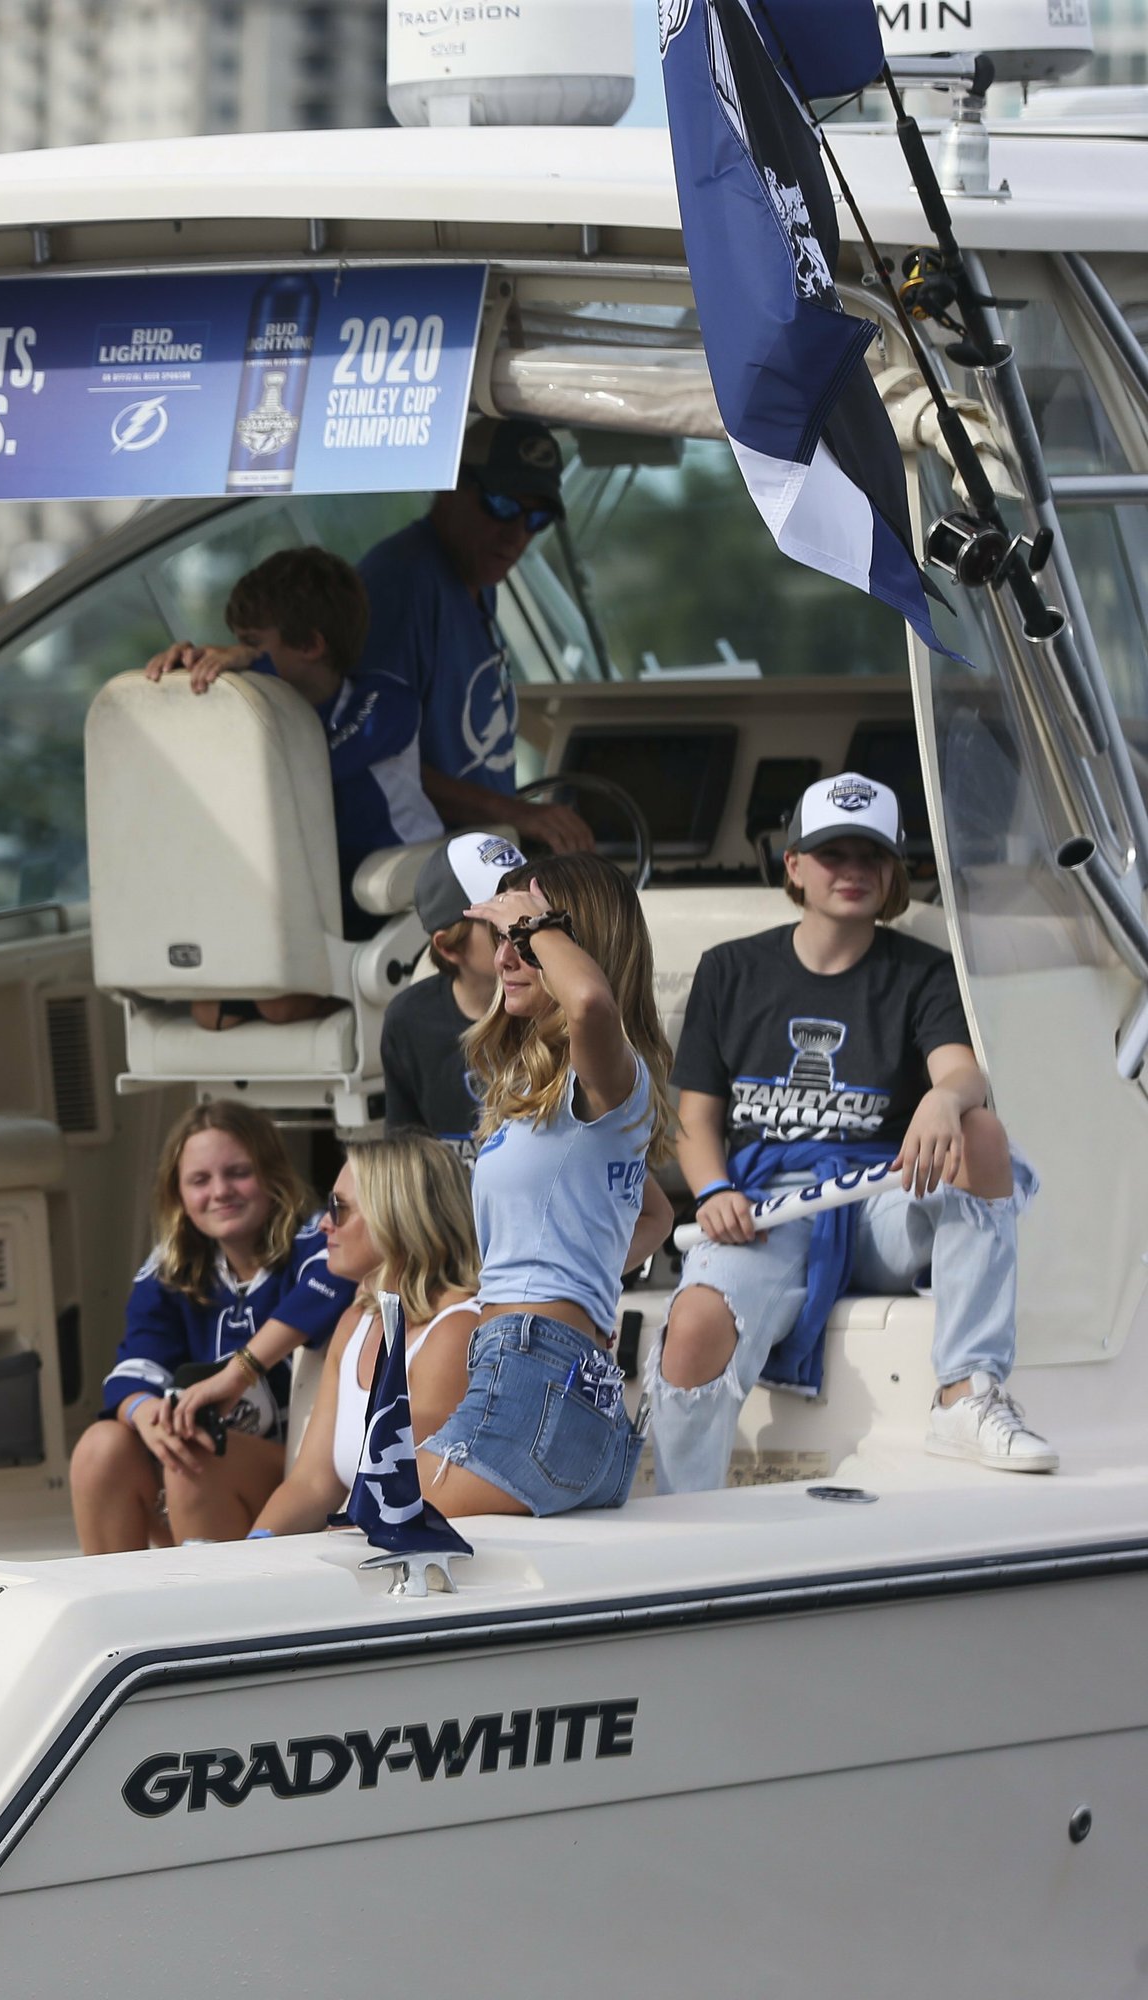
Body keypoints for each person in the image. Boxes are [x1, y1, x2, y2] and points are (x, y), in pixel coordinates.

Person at [649, 774, 1052, 1486]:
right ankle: (687, 1511)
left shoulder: (923, 973)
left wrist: (945, 1100)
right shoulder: (728, 971)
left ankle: (965, 1393)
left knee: (983, 1135)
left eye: (872, 856)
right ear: (794, 867)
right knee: (694, 1322)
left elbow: (962, 1074)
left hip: (877, 1205)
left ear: (895, 873)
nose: (854, 871)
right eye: (833, 853)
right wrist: (712, 1190)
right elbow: (695, 1119)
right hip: (766, 1208)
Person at [419, 850, 677, 1518]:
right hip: (553, 1381)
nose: (506, 957)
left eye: (525, 941)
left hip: (533, 1379)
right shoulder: (559, 1090)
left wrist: (540, 925)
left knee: (370, 1521)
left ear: (572, 942)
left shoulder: (608, 1075)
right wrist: (582, 1289)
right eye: (502, 939)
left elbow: (590, 1001)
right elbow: (652, 1215)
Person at [71, 1100, 354, 1550]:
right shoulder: (171, 1268)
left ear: (272, 1173)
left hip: (298, 1477)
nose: (220, 1191)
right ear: (178, 1194)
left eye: (238, 1172)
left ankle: (211, 1605)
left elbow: (332, 1285)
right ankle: (115, 1605)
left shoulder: (317, 1236)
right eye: (200, 1180)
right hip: (196, 1479)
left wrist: (236, 1374)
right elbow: (131, 1370)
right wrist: (146, 1416)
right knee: (101, 1446)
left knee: (198, 1454)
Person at [142, 543, 443, 963]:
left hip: (403, 905)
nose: (236, 655)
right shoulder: (260, 712)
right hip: (320, 899)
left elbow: (315, 767)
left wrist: (254, 668)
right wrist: (184, 682)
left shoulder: (385, 701)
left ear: (310, 646)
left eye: (250, 643)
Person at [356, 417, 594, 854]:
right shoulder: (401, 586)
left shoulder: (477, 580)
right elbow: (377, 757)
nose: (516, 534)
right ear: (449, 486)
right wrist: (517, 813)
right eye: (501, 505)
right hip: (421, 872)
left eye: (536, 518)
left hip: (482, 853)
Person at [253, 1134, 485, 1536]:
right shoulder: (356, 1321)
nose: (324, 1222)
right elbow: (312, 1484)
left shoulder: (457, 1329)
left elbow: (401, 1489)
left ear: (394, 1216)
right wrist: (252, 1552)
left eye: (339, 1209)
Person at [379, 831, 530, 1159]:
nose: (522, 927)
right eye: (498, 919)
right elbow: (405, 1159)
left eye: (529, 909)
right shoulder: (410, 1020)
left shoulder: (560, 1004)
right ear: (449, 946)